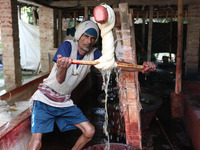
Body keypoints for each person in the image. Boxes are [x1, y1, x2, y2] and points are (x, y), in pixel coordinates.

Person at [28, 20, 156, 150]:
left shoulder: (94, 54)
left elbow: (117, 64)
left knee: (89, 132)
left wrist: (141, 68)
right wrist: (62, 67)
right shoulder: (67, 46)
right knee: (37, 140)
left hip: (63, 101)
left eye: (92, 38)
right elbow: (60, 80)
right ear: (79, 35)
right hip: (44, 99)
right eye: (86, 36)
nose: (88, 41)